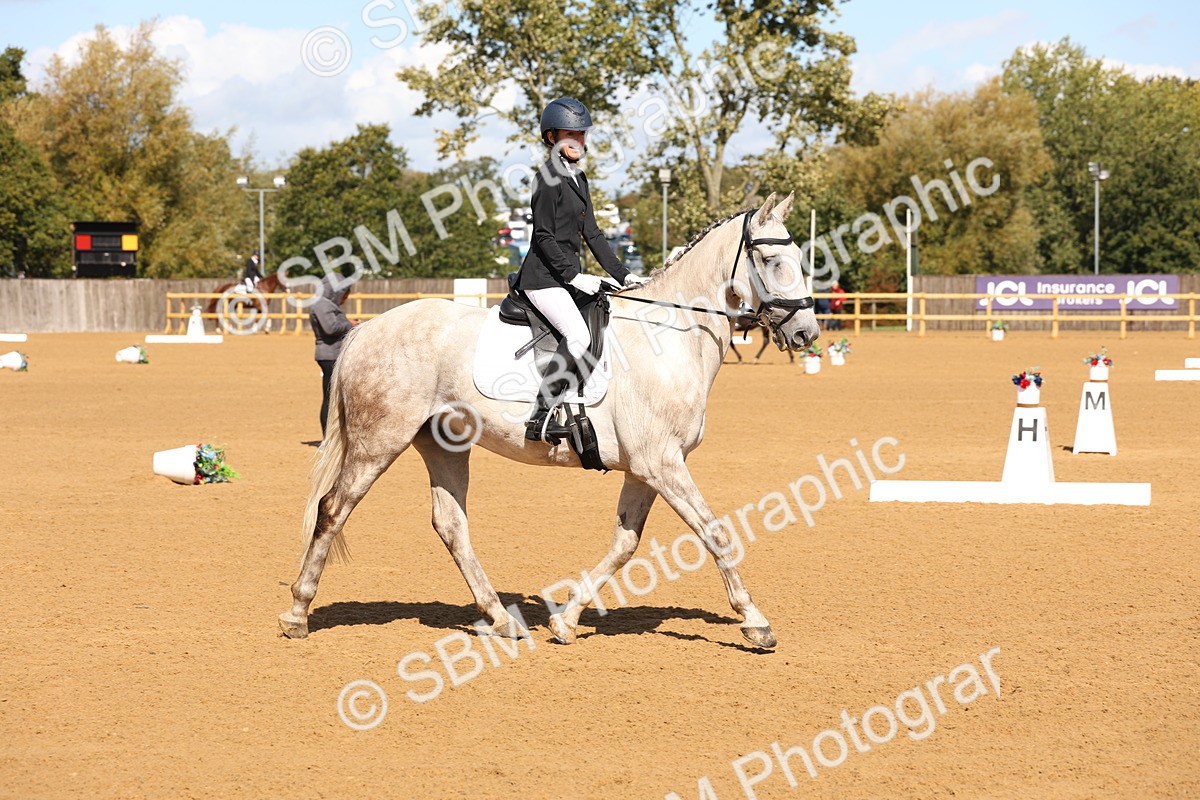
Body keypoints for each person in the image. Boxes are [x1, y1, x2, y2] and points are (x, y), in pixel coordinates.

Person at [516, 97, 648, 443]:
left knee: (606, 315)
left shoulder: (580, 179)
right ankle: (541, 415)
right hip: (543, 278)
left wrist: (624, 276)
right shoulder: (546, 178)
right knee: (578, 334)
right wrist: (575, 276)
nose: (577, 141)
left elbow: (592, 233)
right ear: (551, 138)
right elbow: (543, 237)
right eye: (568, 134)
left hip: (565, 277)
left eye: (581, 134)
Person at [309, 274, 357, 438]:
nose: (343, 299)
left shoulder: (324, 303)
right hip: (330, 355)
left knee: (334, 397)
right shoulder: (322, 304)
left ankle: (332, 436)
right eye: (342, 294)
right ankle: (327, 438)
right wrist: (349, 324)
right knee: (330, 398)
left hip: (332, 354)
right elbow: (330, 328)